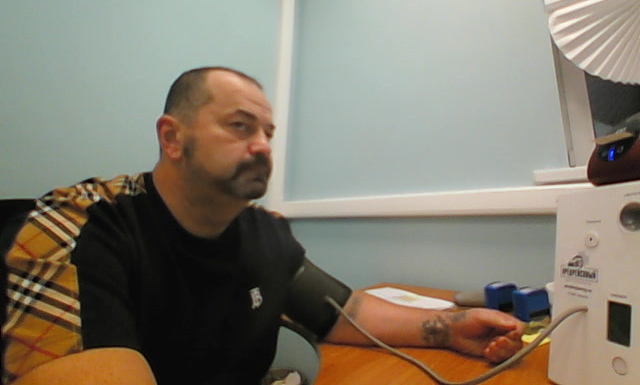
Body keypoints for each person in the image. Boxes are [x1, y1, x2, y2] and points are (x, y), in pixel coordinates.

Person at [1, 67, 524, 385]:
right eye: (240, 126)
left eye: (268, 133)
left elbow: (346, 312)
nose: (262, 147)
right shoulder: (73, 229)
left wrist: (449, 327)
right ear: (172, 138)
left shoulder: (263, 232)